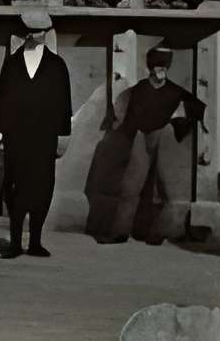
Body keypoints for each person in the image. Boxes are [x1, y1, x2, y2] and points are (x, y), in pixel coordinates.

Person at [88, 45, 205, 245]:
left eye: (164, 68)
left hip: (165, 137)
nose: (161, 72)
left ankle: (157, 233)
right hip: (140, 137)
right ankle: (120, 231)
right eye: (158, 68)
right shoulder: (136, 91)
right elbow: (119, 115)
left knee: (165, 190)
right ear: (151, 68)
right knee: (130, 188)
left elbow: (198, 110)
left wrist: (179, 120)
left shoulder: (176, 93)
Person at [0, 9, 73, 260]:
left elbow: (64, 103)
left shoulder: (57, 66)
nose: (38, 36)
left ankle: (35, 241)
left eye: (41, 32)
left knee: (42, 187)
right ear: (26, 32)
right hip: (16, 137)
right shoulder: (13, 63)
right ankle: (15, 243)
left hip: (44, 138)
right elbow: (2, 99)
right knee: (14, 187)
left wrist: (62, 135)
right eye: (34, 31)